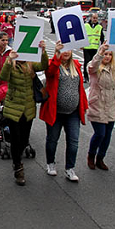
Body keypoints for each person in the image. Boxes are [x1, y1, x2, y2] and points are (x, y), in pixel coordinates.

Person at [0, 42, 48, 185]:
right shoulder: (12, 64)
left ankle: (17, 158)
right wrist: (9, 60)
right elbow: (3, 77)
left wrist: (43, 52)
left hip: (28, 108)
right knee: (15, 138)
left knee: (24, 139)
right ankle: (18, 166)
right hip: (14, 107)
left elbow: (44, 66)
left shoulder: (30, 64)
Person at [40, 41, 88, 183]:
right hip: (56, 111)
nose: (66, 52)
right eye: (63, 50)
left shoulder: (77, 66)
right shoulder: (53, 64)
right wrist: (57, 54)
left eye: (68, 50)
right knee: (52, 139)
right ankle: (50, 163)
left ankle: (70, 168)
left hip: (73, 112)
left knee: (73, 141)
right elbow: (49, 72)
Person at [82, 13, 103, 83]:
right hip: (86, 47)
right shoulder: (86, 26)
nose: (95, 19)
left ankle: (92, 76)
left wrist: (103, 47)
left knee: (93, 63)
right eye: (94, 18)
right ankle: (85, 76)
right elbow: (82, 35)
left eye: (96, 18)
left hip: (94, 48)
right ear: (91, 18)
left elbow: (102, 37)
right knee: (87, 61)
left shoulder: (99, 27)